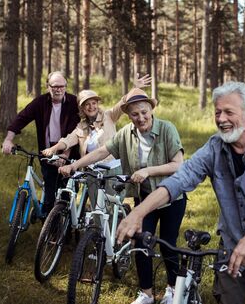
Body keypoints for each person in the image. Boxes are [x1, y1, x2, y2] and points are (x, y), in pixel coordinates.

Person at [117, 81, 245, 304]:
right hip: (233, 242)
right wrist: (138, 213)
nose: (221, 119)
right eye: (217, 112)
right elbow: (179, 180)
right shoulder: (214, 148)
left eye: (228, 112)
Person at [59, 88, 186, 304]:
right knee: (141, 243)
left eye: (144, 112)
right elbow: (102, 151)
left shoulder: (167, 129)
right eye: (135, 114)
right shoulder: (127, 133)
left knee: (167, 244)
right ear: (128, 115)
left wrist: (148, 171)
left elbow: (178, 165)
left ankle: (172, 289)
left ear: (151, 110)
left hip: (170, 198)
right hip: (143, 198)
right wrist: (76, 166)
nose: (141, 118)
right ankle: (146, 294)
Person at [41, 74, 152, 207]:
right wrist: (53, 149)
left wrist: (134, 88)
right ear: (82, 108)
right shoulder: (81, 127)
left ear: (97, 104)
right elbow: (68, 140)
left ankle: (117, 226)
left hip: (113, 169)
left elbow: (121, 103)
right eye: (87, 104)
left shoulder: (109, 116)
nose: (91, 107)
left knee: (111, 208)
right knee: (97, 208)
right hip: (92, 172)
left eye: (94, 103)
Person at [1, 71, 80, 215]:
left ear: (66, 86)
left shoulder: (74, 103)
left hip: (70, 152)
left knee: (66, 195)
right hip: (48, 150)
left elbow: (76, 132)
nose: (58, 89)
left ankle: (65, 230)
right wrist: (8, 139)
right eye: (54, 86)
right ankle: (47, 229)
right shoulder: (40, 102)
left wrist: (65, 155)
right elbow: (22, 118)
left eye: (62, 86)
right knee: (50, 191)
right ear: (47, 86)